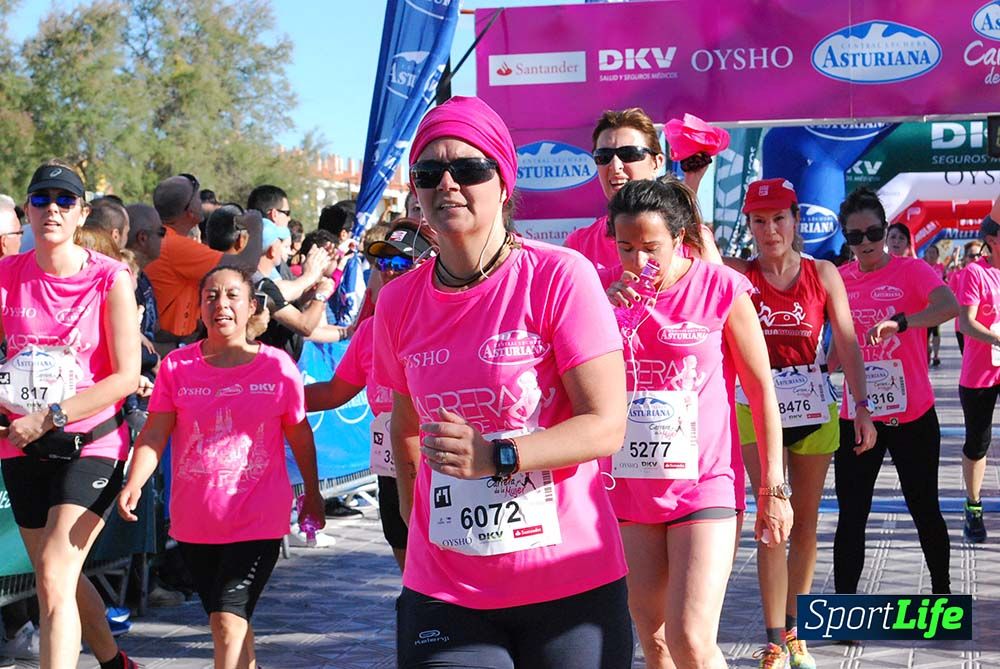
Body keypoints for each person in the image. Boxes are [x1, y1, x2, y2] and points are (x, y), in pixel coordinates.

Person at [374, 96, 633, 668]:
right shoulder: (397, 302)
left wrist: (498, 455)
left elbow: (606, 424)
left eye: (468, 169)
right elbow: (407, 425)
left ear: (503, 182)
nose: (448, 184)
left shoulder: (559, 276)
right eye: (429, 172)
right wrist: (418, 534)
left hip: (568, 577)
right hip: (445, 583)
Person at [601, 179, 792, 669]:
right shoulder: (604, 296)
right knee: (656, 640)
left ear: (681, 237)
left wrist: (773, 487)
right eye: (625, 248)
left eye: (651, 248)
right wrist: (603, 309)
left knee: (690, 637)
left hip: (704, 486)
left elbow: (760, 390)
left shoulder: (721, 286)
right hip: (631, 488)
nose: (638, 262)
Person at [117, 266, 324, 669]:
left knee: (226, 625)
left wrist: (312, 495)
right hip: (196, 522)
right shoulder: (177, 367)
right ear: (199, 308)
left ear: (251, 307)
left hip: (258, 517)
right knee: (227, 622)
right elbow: (156, 433)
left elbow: (300, 436)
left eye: (232, 296)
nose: (221, 304)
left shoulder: (278, 367)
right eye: (211, 296)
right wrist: (135, 481)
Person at [724, 179, 876, 668]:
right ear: (748, 225)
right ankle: (772, 640)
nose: (770, 231)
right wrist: (694, 176)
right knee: (772, 519)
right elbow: (692, 243)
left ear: (796, 221)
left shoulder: (823, 273)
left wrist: (864, 406)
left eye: (779, 219)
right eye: (759, 221)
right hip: (755, 408)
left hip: (813, 408)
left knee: (806, 522)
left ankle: (796, 635)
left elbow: (848, 342)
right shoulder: (737, 274)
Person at [0, 161, 140, 668]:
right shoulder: (7, 275)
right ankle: (113, 661)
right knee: (53, 571)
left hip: (92, 441)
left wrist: (50, 416)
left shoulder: (109, 278)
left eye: (64, 201)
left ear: (81, 214)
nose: (51, 210)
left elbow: (126, 375)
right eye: (40, 200)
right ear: (27, 210)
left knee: (55, 573)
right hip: (21, 442)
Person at [834, 187, 957, 596]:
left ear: (886, 230)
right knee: (852, 514)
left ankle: (942, 594)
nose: (865, 243)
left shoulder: (912, 270)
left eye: (873, 233)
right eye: (855, 237)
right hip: (858, 416)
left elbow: (948, 306)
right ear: (845, 238)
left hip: (913, 415)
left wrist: (904, 322)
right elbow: (834, 350)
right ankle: (846, 609)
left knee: (924, 509)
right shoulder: (839, 279)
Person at [305, 218, 433, 570]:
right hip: (392, 465)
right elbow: (334, 392)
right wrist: (278, 396)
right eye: (383, 263)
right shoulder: (371, 331)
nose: (389, 272)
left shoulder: (449, 322)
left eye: (400, 263)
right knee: (410, 571)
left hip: (442, 462)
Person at [564, 108, 719, 271]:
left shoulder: (693, 237)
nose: (615, 166)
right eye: (603, 156)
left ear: (657, 162)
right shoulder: (579, 244)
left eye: (629, 154)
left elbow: (722, 292)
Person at [144, 174, 262, 353]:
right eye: (197, 198)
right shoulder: (176, 246)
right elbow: (246, 266)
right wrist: (256, 227)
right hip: (165, 353)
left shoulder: (167, 240)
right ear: (190, 210)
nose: (201, 202)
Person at [957, 199, 1000, 543]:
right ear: (994, 239)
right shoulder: (976, 272)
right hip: (980, 374)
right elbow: (966, 324)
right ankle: (973, 506)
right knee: (978, 441)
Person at [948, 240, 985, 354]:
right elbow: (949, 295)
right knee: (967, 358)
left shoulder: (989, 274)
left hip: (985, 327)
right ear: (965, 258)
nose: (975, 258)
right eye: (971, 256)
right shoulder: (958, 275)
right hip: (963, 326)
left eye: (978, 255)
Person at [924, 244, 947, 366]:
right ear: (925, 254)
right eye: (929, 252)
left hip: (936, 306)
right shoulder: (921, 267)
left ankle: (936, 356)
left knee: (936, 332)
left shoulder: (940, 267)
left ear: (937, 255)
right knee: (925, 334)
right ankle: (927, 351)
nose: (931, 255)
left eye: (934, 253)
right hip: (924, 307)